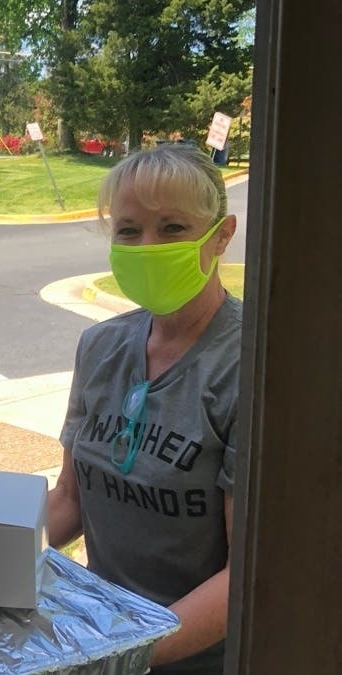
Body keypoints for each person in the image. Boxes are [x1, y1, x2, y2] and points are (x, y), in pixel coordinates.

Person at [48, 143, 240, 674]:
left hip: (193, 659)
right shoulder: (100, 347)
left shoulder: (250, 367)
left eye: (173, 227)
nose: (147, 245)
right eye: (129, 231)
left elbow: (248, 571)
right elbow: (69, 499)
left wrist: (124, 658)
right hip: (96, 632)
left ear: (221, 236)